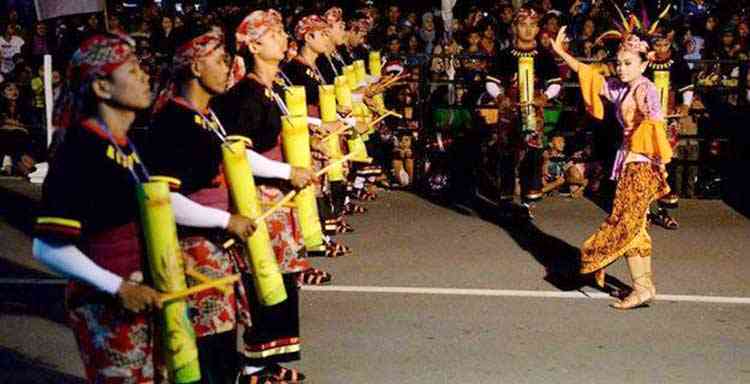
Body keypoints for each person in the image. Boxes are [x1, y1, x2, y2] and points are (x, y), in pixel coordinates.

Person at [144, 24, 306, 383]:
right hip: (194, 252)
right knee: (203, 351)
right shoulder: (174, 121)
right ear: (195, 67)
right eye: (219, 60)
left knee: (221, 344)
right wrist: (224, 220)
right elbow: (165, 200)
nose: (227, 67)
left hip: (219, 247)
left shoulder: (207, 116)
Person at [31, 33, 164, 383]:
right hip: (108, 307)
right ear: (102, 88)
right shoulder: (81, 148)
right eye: (133, 71)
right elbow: (47, 246)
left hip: (143, 301)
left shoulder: (126, 145)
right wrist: (119, 287)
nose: (145, 77)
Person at [211, 9, 328, 382]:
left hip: (281, 197)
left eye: (280, 32)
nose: (282, 38)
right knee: (264, 277)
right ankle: (254, 364)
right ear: (255, 45)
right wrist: (285, 171)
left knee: (284, 279)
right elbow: (237, 151)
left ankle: (268, 359)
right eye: (274, 34)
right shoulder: (245, 94)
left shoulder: (269, 88)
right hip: (261, 201)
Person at [550, 27, 672, 309]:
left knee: (625, 225)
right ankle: (644, 286)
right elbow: (590, 76)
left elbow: (656, 123)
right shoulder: (622, 89)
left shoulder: (645, 89)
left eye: (628, 63)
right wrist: (562, 53)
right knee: (636, 228)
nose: (621, 67)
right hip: (629, 163)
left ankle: (639, 285)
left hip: (641, 165)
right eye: (618, 62)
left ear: (644, 64)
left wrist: (660, 164)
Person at [491, 6, 562, 217]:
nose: (528, 30)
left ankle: (526, 203)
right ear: (515, 27)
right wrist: (500, 97)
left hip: (533, 112)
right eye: (523, 25)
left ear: (538, 28)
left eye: (533, 25)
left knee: (532, 154)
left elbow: (555, 83)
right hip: (509, 111)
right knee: (507, 154)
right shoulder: (505, 55)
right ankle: (505, 198)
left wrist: (545, 97)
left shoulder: (544, 56)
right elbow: (491, 82)